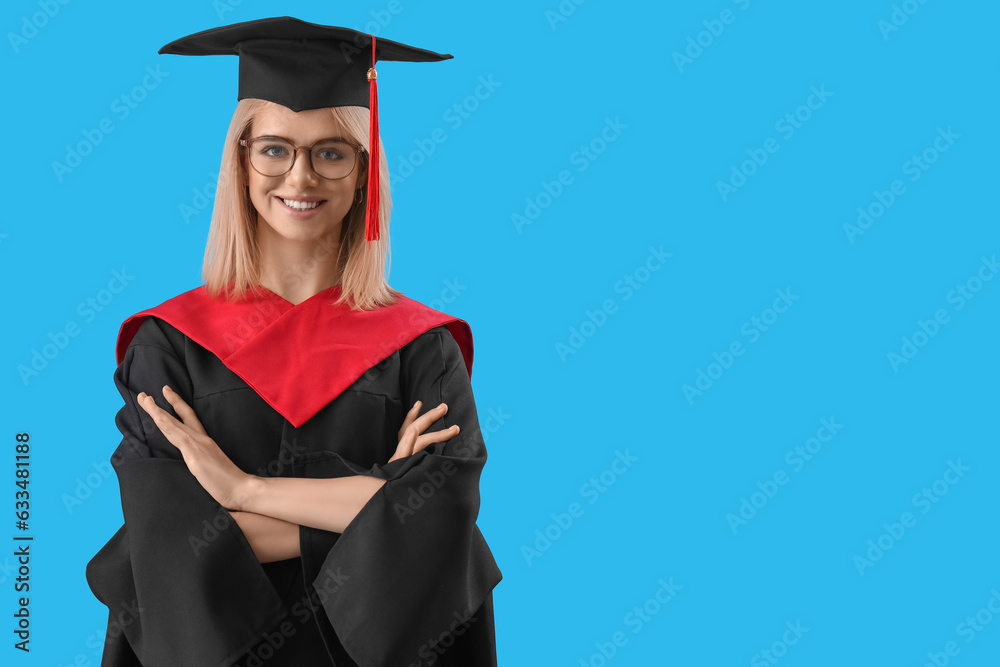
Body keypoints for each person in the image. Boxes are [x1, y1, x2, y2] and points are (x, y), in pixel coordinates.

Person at [85, 16, 502, 667]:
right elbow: (162, 543)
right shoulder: (169, 346)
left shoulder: (421, 349)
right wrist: (378, 498)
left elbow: (443, 517)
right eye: (275, 148)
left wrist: (240, 492)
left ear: (363, 171)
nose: (300, 177)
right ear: (242, 162)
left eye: (330, 151)